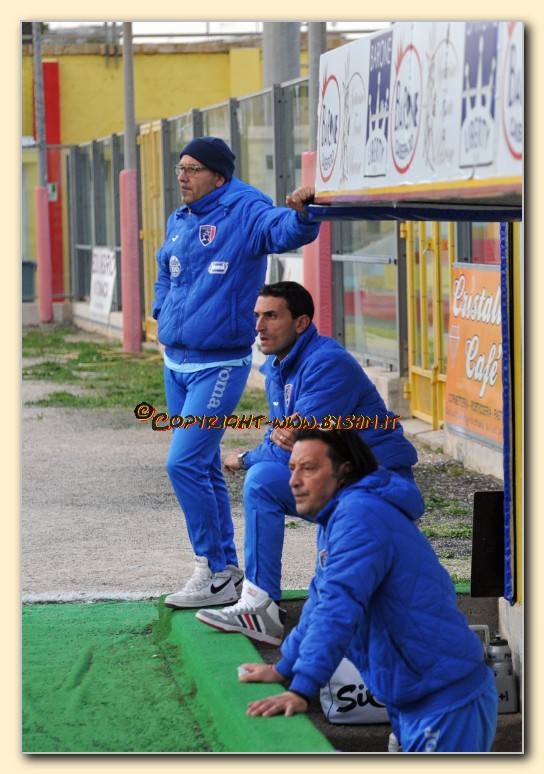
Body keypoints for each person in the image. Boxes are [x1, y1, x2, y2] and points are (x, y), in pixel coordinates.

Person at [237, 429, 498, 753]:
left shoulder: (360, 515)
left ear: (344, 470)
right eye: (292, 468)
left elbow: (338, 609)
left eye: (309, 468)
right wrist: (283, 668)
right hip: (417, 700)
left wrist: (302, 689)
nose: (293, 481)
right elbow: (319, 604)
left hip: (446, 703)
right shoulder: (337, 517)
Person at [196, 281, 419, 643]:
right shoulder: (279, 367)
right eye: (257, 316)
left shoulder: (327, 363)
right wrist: (281, 444)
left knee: (335, 613)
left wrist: (244, 457)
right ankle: (259, 604)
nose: (259, 326)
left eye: (271, 316)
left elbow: (298, 449)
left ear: (301, 323)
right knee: (263, 482)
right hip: (335, 482)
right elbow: (283, 442)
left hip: (377, 487)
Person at [152, 137, 320, 609]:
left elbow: (282, 230)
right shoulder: (181, 217)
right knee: (203, 463)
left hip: (218, 363)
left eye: (193, 169)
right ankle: (222, 572)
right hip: (176, 361)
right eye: (180, 167)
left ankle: (212, 567)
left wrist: (303, 215)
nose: (182, 176)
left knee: (182, 462)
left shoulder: (245, 208)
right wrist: (162, 309)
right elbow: (166, 269)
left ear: (219, 176)